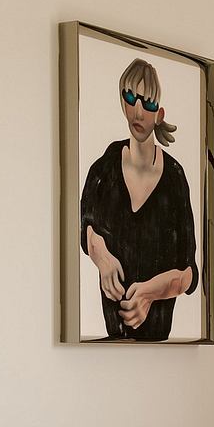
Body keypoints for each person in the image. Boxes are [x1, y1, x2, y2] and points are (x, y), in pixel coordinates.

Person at [80, 57, 199, 341]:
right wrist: (102, 257)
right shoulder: (105, 167)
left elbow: (189, 274)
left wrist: (149, 292)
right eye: (130, 97)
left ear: (159, 114)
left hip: (158, 340)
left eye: (147, 103)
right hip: (111, 343)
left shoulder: (174, 178)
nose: (137, 111)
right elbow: (85, 228)